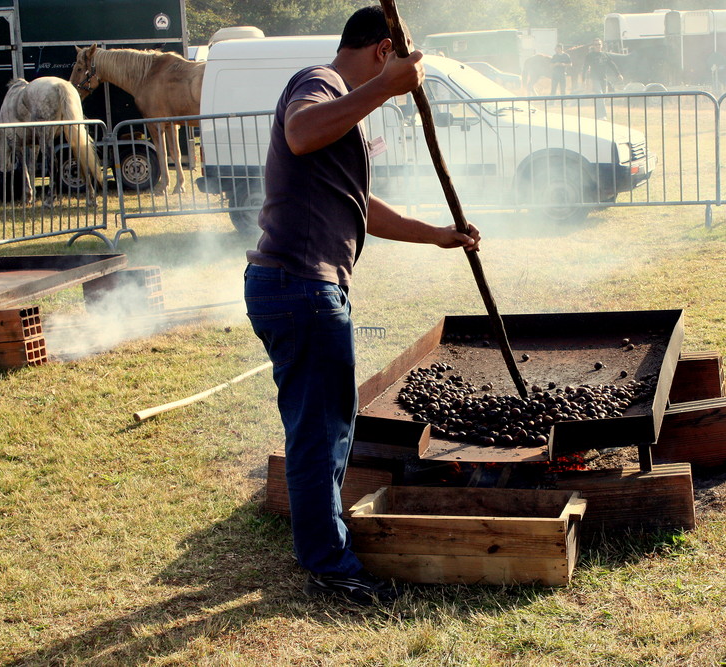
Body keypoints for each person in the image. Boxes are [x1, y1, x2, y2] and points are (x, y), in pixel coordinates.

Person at [243, 6, 480, 606]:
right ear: (383, 49)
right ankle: (330, 562)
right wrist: (384, 88)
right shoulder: (318, 83)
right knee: (319, 431)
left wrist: (437, 235)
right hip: (300, 286)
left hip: (300, 286)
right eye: (394, 61)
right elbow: (300, 132)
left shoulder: (339, 102)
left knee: (325, 421)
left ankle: (326, 541)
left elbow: (361, 205)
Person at [582, 38, 622, 119]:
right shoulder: (590, 55)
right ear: (593, 46)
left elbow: (612, 64)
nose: (597, 46)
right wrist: (583, 79)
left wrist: (618, 74)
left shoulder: (605, 55)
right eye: (596, 44)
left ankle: (598, 115)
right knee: (600, 95)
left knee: (602, 97)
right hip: (594, 78)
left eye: (599, 44)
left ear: (602, 45)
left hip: (603, 79)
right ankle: (603, 115)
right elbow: (585, 67)